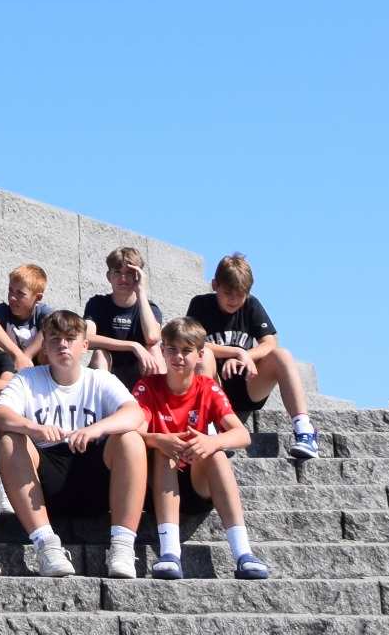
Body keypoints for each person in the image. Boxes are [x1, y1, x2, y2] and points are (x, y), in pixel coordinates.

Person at [0, 309, 148, 579]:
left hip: (95, 478)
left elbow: (135, 413)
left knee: (131, 438)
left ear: (84, 346)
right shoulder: (27, 379)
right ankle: (45, 545)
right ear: (45, 346)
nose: (62, 344)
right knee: (10, 440)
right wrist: (35, 428)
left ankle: (122, 546)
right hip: (46, 481)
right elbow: (0, 415)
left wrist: (94, 429)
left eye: (70, 338)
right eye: (54, 339)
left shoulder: (100, 379)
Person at [136, 316, 270, 580]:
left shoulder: (207, 387)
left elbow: (242, 434)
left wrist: (212, 441)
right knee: (164, 451)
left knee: (217, 455)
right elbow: (134, 431)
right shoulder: (147, 386)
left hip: (198, 482)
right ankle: (170, 553)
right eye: (172, 349)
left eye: (187, 351)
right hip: (159, 485)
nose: (178, 357)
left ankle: (243, 553)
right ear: (162, 351)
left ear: (199, 356)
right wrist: (158, 439)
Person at [186, 253, 320, 459]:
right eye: (228, 292)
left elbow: (270, 342)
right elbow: (193, 343)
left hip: (248, 385)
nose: (234, 300)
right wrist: (236, 352)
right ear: (215, 285)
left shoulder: (251, 305)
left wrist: (245, 356)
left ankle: (304, 429)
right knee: (203, 355)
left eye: (240, 294)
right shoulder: (200, 305)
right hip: (215, 386)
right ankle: (212, 426)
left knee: (282, 355)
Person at [84, 247, 163, 390]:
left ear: (138, 276)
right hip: (108, 368)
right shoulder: (97, 303)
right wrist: (133, 345)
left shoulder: (149, 308)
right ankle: (102, 408)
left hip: (139, 370)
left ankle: (157, 408)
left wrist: (141, 291)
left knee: (154, 351)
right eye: (117, 272)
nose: (123, 278)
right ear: (109, 276)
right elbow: (86, 338)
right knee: (99, 354)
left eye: (129, 273)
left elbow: (153, 337)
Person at [0, 264, 54, 367]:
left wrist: (28, 355)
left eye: (20, 293)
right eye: (10, 290)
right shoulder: (3, 310)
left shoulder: (41, 312)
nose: (12, 298)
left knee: (53, 333)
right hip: (9, 368)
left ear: (37, 297)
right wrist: (18, 355)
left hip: (37, 370)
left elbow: (55, 321)